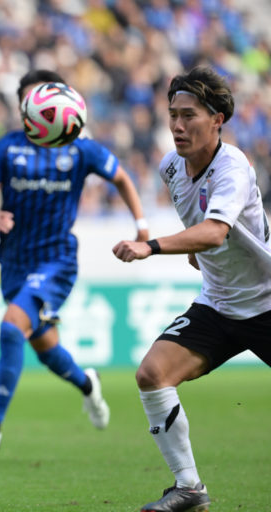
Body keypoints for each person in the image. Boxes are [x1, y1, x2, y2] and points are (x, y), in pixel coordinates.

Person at [0, 69, 149, 453]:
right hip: (14, 261)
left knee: (11, 328)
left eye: (50, 103)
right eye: (34, 102)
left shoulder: (81, 149)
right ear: (22, 107)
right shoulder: (7, 147)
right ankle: (88, 384)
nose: (44, 110)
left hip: (56, 261)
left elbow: (122, 178)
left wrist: (141, 225)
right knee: (46, 350)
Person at [113, 66, 271, 512]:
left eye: (189, 116)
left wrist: (151, 247)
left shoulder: (233, 166)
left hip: (265, 302)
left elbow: (216, 231)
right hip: (218, 305)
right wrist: (195, 250)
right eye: (173, 115)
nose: (177, 126)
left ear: (217, 119)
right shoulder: (171, 167)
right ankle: (189, 488)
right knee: (152, 374)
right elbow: (203, 229)